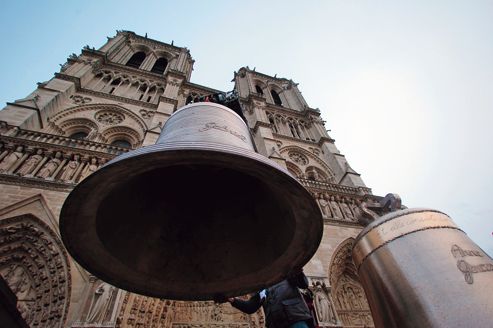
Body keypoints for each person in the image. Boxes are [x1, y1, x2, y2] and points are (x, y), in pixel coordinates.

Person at [227, 270, 315, 328]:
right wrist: (233, 300)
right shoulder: (261, 288)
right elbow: (250, 307)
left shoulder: (284, 273)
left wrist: (297, 269)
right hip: (275, 324)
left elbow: (303, 283)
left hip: (295, 319)